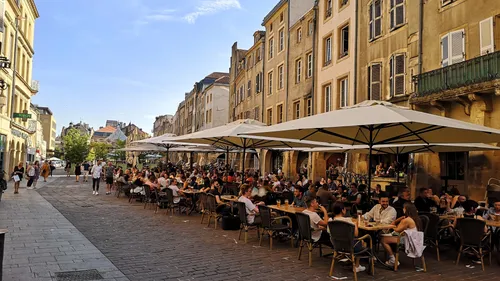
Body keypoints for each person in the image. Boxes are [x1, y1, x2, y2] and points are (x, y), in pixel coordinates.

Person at [381, 202, 422, 266]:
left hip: (408, 241)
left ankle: (393, 260)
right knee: (387, 237)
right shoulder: (415, 218)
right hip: (415, 240)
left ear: (406, 209)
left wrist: (392, 226)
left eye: (403, 208)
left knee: (383, 240)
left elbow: (397, 230)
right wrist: (400, 219)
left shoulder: (407, 220)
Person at [332, 202, 365, 273]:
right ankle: (357, 266)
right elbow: (356, 234)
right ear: (342, 210)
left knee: (353, 240)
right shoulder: (347, 221)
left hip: (337, 245)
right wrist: (355, 224)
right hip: (349, 246)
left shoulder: (331, 221)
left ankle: (348, 258)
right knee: (362, 241)